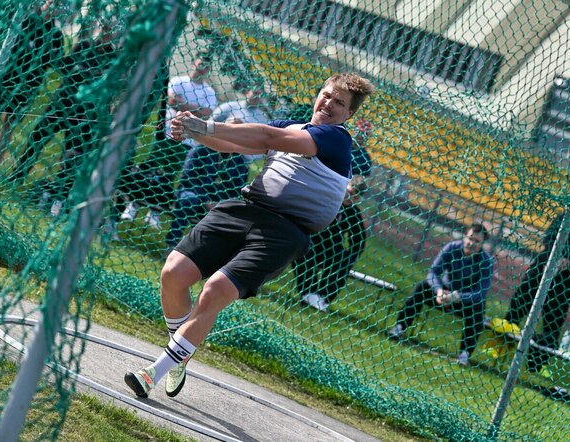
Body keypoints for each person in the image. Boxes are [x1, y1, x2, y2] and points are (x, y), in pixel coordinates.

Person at [123, 73, 375, 398]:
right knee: (173, 273)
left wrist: (206, 125)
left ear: (349, 114)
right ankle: (183, 350)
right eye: (327, 95)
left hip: (285, 232)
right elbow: (236, 144)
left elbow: (265, 137)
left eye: (339, 103)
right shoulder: (293, 125)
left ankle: (153, 372)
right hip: (246, 209)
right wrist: (195, 131)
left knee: (214, 291)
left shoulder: (336, 138)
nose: (329, 104)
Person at [8, 24, 118, 216]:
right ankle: (17, 177)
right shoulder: (83, 46)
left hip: (86, 114)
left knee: (72, 156)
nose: (104, 33)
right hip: (63, 102)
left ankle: (58, 198)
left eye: (109, 31)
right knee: (38, 137)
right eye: (102, 29)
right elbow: (65, 66)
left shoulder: (113, 58)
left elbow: (111, 86)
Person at [119, 50, 218, 229]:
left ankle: (154, 212)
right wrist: (194, 109)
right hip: (167, 132)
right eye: (200, 64)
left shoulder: (209, 92)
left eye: (206, 66)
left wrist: (184, 105)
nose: (202, 69)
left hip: (188, 140)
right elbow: (172, 101)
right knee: (150, 169)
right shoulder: (178, 81)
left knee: (168, 176)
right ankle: (133, 205)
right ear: (193, 63)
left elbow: (207, 113)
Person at [0, 0, 64, 174]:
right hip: (7, 77)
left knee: (8, 125)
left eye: (58, 5)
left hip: (28, 85)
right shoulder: (26, 20)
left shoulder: (55, 35)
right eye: (51, 2)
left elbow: (56, 62)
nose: (53, 7)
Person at [294, 119, 373, 312]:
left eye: (355, 196)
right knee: (305, 251)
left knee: (342, 260)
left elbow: (359, 239)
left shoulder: (352, 212)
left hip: (332, 247)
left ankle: (322, 297)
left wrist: (350, 257)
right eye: (350, 192)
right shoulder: (326, 199)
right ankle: (308, 292)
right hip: (313, 238)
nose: (350, 198)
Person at [388, 223, 494, 366]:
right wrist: (438, 290)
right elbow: (433, 272)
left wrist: (457, 297)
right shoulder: (451, 248)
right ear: (464, 236)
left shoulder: (486, 262)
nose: (471, 243)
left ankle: (465, 354)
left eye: (477, 241)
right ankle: (400, 327)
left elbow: (480, 293)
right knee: (422, 287)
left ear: (482, 244)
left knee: (479, 308)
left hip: (464, 301)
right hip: (443, 294)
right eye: (470, 238)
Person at [495, 212, 570, 373]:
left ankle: (537, 365)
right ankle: (498, 350)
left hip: (565, 279)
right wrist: (556, 256)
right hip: (544, 264)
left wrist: (568, 260)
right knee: (518, 306)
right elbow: (549, 236)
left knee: (553, 323)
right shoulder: (564, 216)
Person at [163, 117, 249, 255]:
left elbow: (237, 191)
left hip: (219, 202)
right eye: (229, 131)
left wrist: (220, 204)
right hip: (193, 192)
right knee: (188, 200)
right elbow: (188, 178)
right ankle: (171, 243)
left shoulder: (240, 161)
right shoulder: (202, 149)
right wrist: (206, 200)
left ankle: (205, 254)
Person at [211, 86, 270, 164]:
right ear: (247, 92)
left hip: (241, 158)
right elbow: (211, 121)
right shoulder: (230, 106)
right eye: (255, 93)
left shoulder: (262, 119)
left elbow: (261, 143)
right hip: (218, 148)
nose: (257, 97)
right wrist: (228, 125)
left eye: (261, 96)